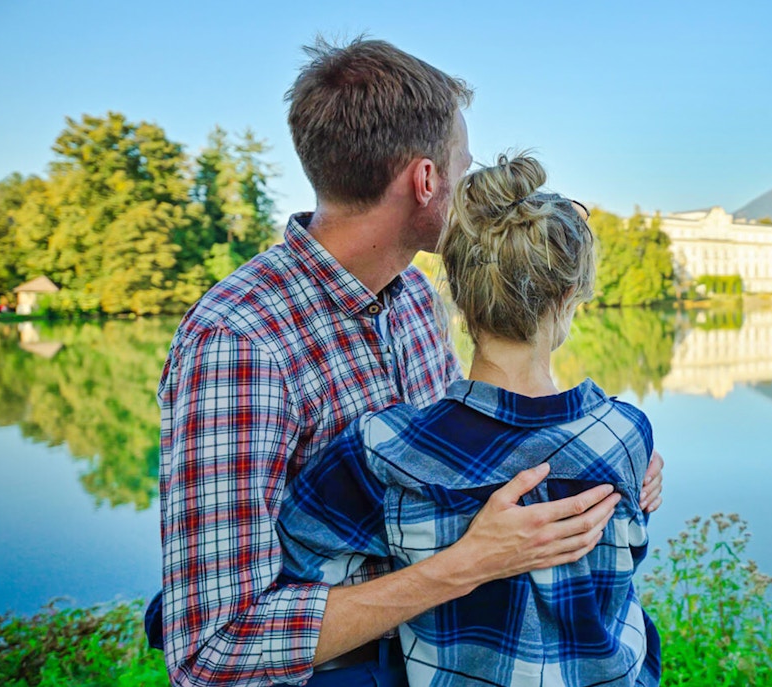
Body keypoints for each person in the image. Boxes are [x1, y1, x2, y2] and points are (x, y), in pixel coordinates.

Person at [156, 38, 663, 687]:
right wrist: (466, 564)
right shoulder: (239, 342)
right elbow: (212, 649)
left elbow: (466, 453)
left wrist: (600, 460)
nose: (478, 189)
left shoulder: (417, 300)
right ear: (427, 181)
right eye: (465, 166)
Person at [278, 153, 660, 686]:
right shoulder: (624, 434)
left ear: (456, 294)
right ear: (571, 296)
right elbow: (622, 575)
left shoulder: (384, 448)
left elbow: (295, 561)